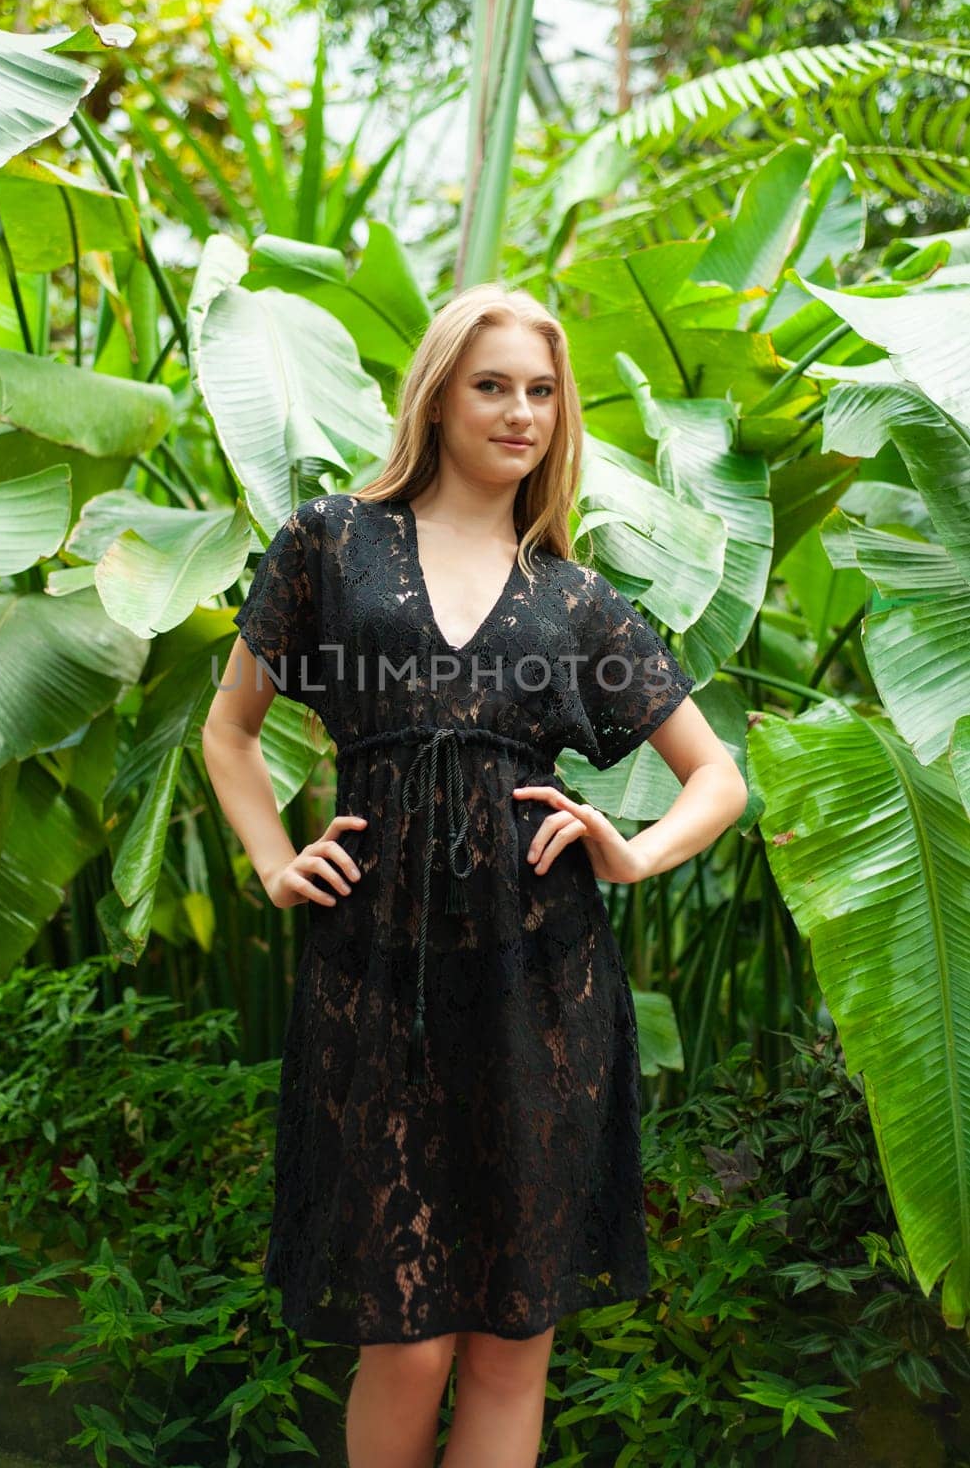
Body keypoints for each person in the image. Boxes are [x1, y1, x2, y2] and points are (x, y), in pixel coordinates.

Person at [202, 282, 747, 1468]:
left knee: (511, 1343)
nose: (519, 412)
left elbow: (716, 778)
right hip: (373, 980)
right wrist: (270, 859)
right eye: (492, 385)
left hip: (542, 987)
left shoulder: (577, 600)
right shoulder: (331, 542)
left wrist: (633, 847)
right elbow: (227, 732)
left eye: (541, 392)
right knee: (405, 1339)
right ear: (439, 395)